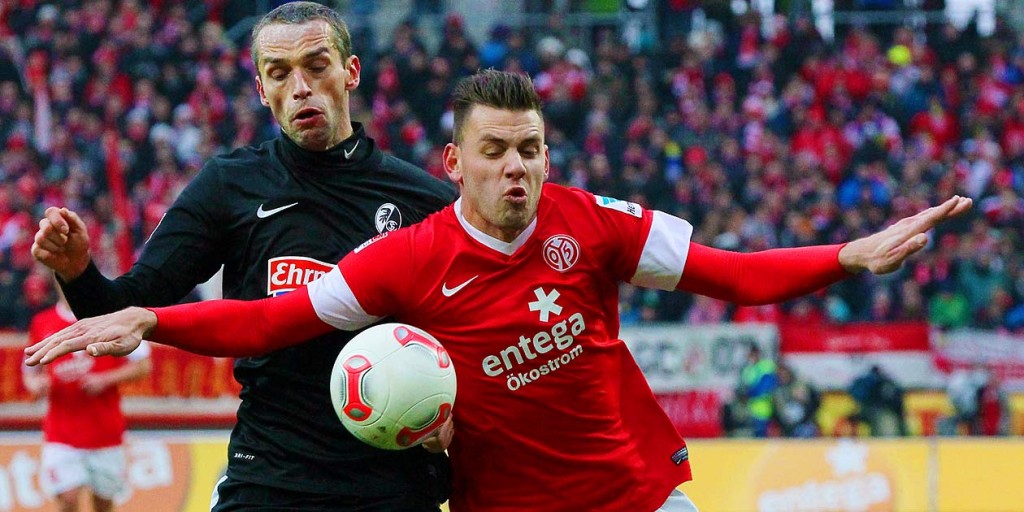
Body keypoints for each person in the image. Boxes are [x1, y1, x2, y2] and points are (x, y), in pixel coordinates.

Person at [26, 70, 973, 512]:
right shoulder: (409, 259)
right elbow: (272, 319)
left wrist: (849, 255)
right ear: (457, 163)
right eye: (497, 151)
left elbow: (732, 274)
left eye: (531, 149)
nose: (518, 168)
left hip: (634, 499)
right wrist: (150, 316)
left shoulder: (595, 221)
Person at [29, 3, 456, 510]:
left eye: (317, 66)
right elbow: (119, 311)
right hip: (269, 478)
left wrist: (453, 413)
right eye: (279, 73)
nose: (300, 87)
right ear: (261, 90)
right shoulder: (229, 185)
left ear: (351, 72)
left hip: (391, 484)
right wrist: (77, 271)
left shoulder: (424, 203)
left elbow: (470, 332)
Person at [22, 287, 152, 512]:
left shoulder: (111, 318)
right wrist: (36, 385)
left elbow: (144, 365)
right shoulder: (42, 322)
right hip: (61, 433)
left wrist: (105, 379)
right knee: (68, 499)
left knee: (103, 503)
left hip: (105, 432)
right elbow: (29, 370)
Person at [737, 343, 778, 437]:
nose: (751, 357)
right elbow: (743, 387)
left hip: (766, 406)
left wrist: (749, 393)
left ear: (758, 353)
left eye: (753, 354)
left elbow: (767, 386)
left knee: (762, 433)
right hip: (750, 408)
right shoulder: (747, 369)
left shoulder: (767, 365)